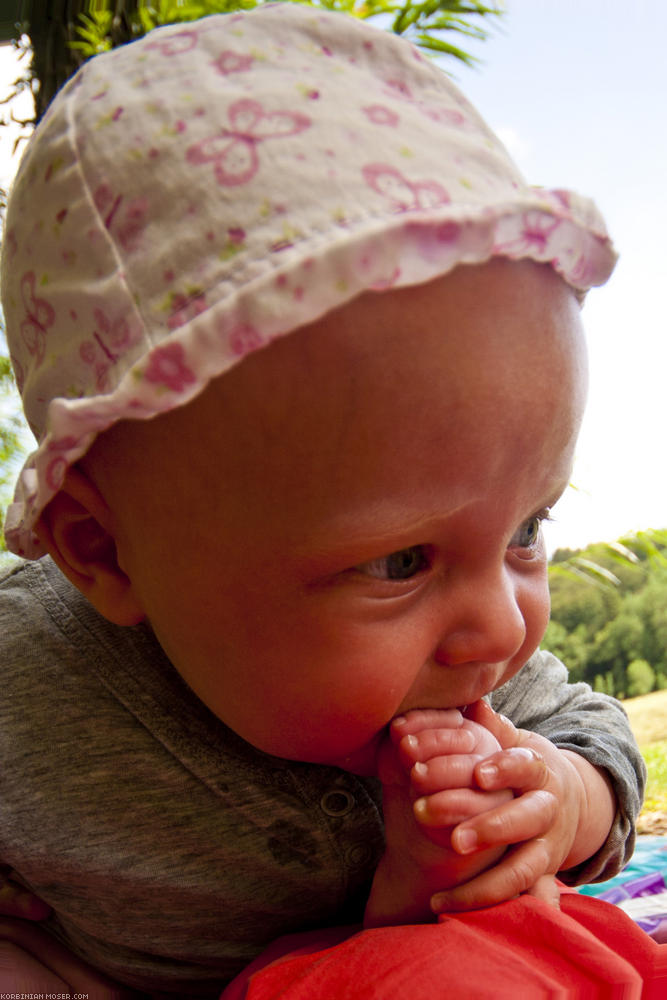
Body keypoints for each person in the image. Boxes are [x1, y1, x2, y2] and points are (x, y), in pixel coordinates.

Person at [0, 4, 654, 995]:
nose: (497, 625)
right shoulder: (24, 686)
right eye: (401, 562)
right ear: (105, 549)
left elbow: (597, 738)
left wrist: (561, 799)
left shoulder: (473, 684)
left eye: (524, 532)